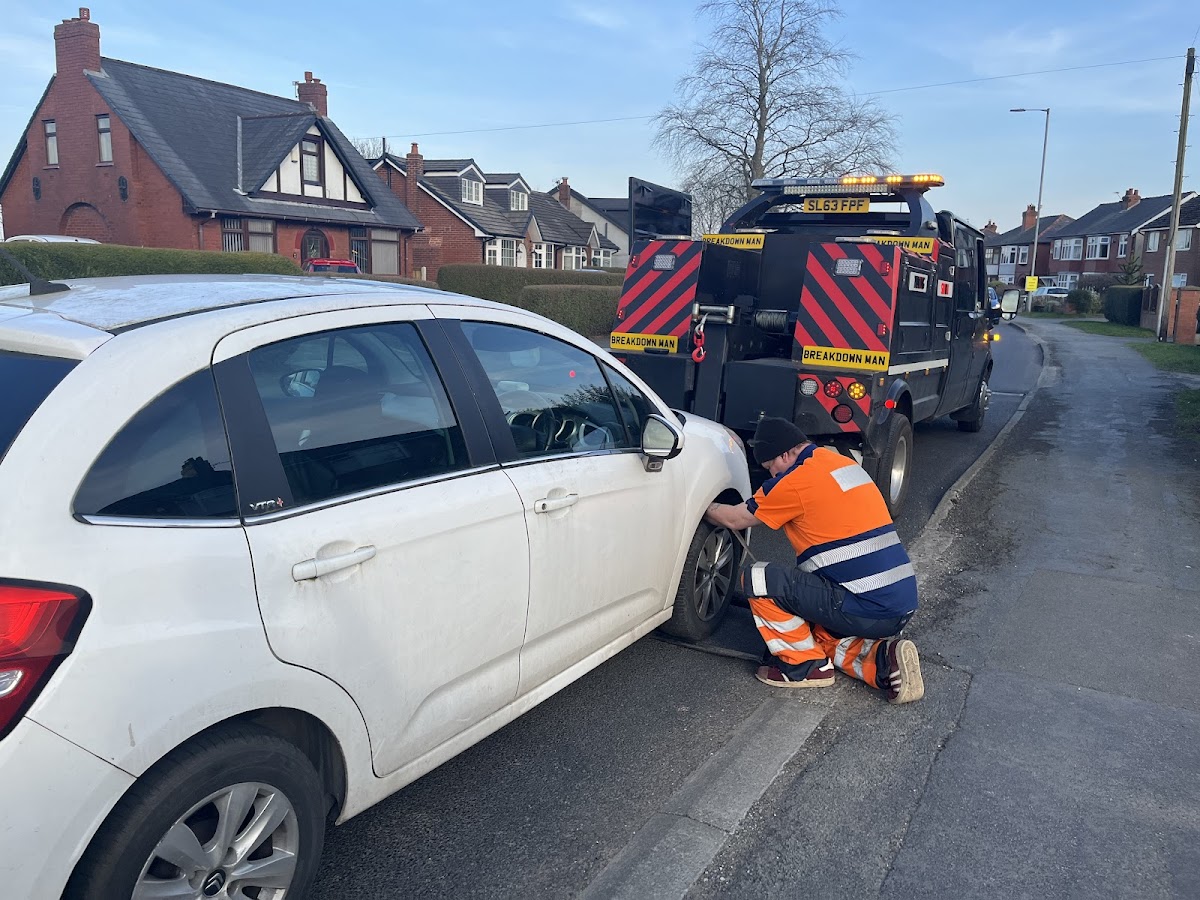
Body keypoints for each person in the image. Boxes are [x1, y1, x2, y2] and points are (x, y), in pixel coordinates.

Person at [704, 417, 924, 703]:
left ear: (785, 454)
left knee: (758, 578)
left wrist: (701, 504)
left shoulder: (795, 481)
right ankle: (883, 661)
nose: (771, 477)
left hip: (863, 607)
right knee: (814, 633)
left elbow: (734, 518)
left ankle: (803, 666)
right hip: (898, 606)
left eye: (771, 467)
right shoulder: (843, 465)